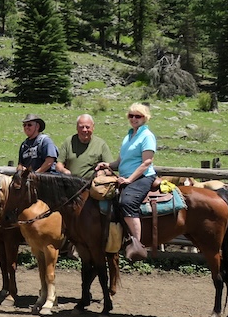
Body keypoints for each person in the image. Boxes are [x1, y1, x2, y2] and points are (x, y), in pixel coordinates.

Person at [96, 103, 157, 261]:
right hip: (126, 177)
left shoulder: (147, 136)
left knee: (127, 202)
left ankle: (137, 244)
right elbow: (120, 161)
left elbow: (146, 162)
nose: (134, 119)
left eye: (138, 116)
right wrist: (108, 165)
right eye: (131, 116)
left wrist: (129, 180)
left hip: (142, 177)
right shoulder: (129, 135)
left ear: (145, 118)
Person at [60, 114, 113, 178]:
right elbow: (59, 164)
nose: (84, 130)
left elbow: (110, 167)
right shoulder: (69, 142)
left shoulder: (101, 145)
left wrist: (102, 172)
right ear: (76, 127)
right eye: (81, 127)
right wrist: (64, 170)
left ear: (93, 127)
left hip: (91, 184)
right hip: (70, 182)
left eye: (87, 127)